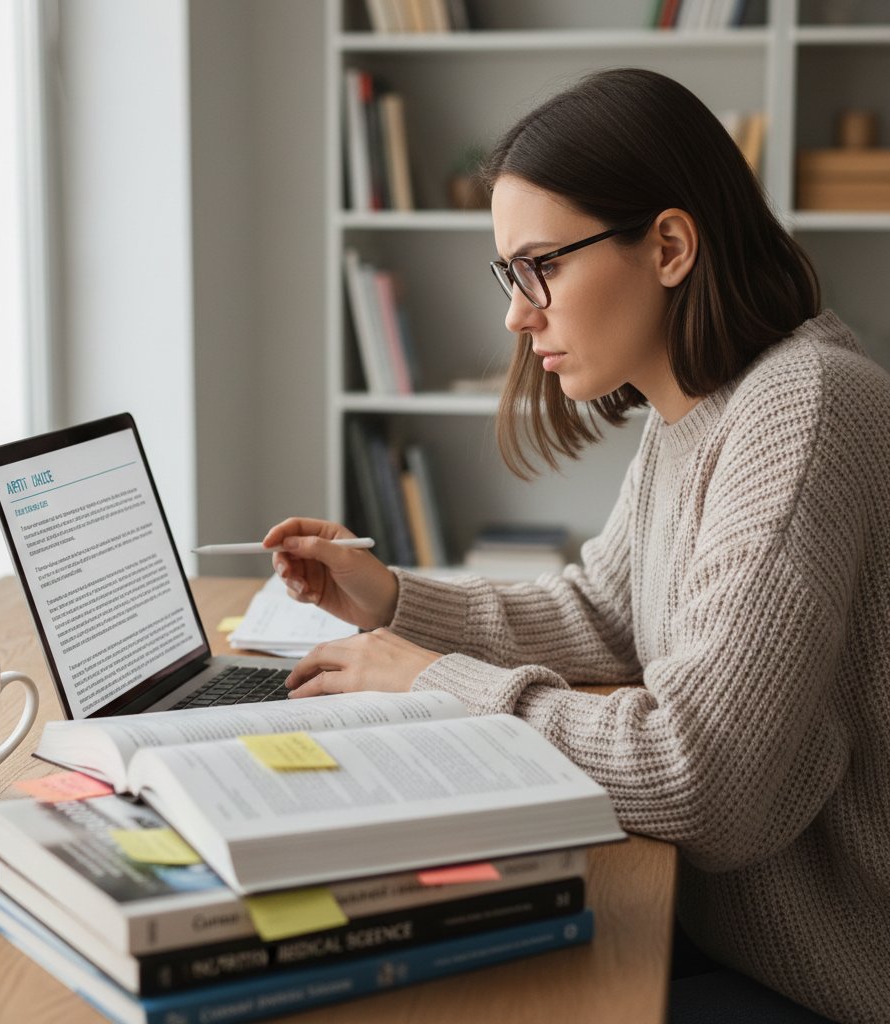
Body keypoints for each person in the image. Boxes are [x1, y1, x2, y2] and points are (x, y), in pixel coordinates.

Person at [263, 68, 889, 1024]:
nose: (517, 312)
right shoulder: (698, 414)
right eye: (508, 273)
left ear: (670, 246)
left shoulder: (805, 408)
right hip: (716, 931)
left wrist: (431, 680)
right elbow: (604, 611)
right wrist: (390, 601)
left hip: (823, 980)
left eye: (540, 264)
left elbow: (700, 779)